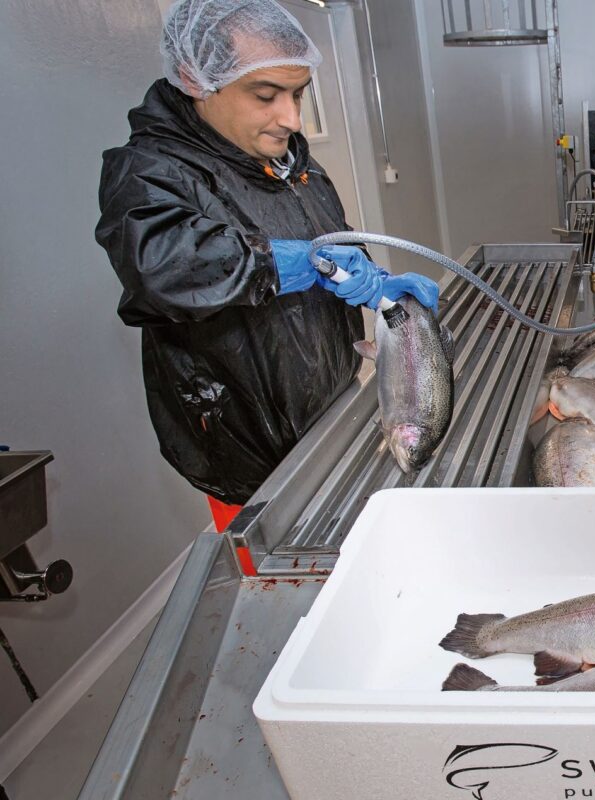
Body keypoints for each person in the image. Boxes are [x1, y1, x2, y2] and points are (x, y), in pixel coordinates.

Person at [96, 0, 439, 526]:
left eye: (298, 93)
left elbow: (334, 249)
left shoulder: (290, 161)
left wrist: (379, 287)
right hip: (251, 450)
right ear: (196, 79)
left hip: (335, 411)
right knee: (284, 591)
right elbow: (161, 266)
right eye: (265, 95)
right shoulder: (150, 169)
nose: (292, 118)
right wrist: (296, 263)